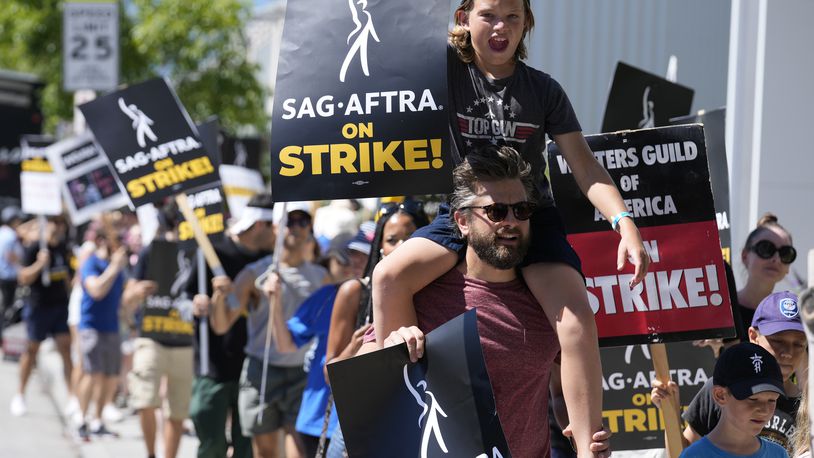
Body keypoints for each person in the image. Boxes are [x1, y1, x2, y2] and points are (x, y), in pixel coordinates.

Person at [371, 0, 650, 451]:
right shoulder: (444, 70)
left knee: (576, 318)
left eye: (513, 17)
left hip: (528, 212)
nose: (501, 27)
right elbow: (393, 46)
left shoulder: (543, 90)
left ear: (527, 24)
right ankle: (405, 411)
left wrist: (625, 223)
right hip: (465, 208)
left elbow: (584, 167)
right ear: (465, 18)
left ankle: (586, 443)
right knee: (387, 276)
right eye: (489, 15)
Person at [369, 146, 609, 457]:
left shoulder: (552, 304)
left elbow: (561, 391)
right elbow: (363, 375)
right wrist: (391, 349)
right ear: (463, 222)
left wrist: (587, 439)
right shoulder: (420, 292)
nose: (510, 221)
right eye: (496, 212)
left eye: (521, 210)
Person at [208, 201, 328, 458]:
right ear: (276, 227)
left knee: (301, 452)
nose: (295, 228)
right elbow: (220, 325)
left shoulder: (321, 277)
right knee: (266, 454)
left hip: (302, 374)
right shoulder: (254, 273)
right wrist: (218, 297)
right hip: (262, 371)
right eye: (289, 221)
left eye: (302, 221)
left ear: (310, 227)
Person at [323, 202, 428, 458]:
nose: (402, 246)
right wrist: (356, 348)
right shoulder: (355, 293)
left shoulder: (438, 293)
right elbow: (329, 373)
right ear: (380, 247)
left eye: (411, 237)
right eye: (393, 239)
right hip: (359, 429)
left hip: (419, 428)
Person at [653, 291, 807, 453]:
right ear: (753, 336)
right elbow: (681, 453)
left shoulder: (806, 406)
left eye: (799, 344)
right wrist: (669, 412)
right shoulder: (724, 387)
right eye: (777, 341)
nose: (788, 352)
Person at [266, 226, 372, 456]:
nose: (354, 260)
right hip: (319, 417)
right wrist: (274, 302)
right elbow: (285, 345)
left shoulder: (399, 295)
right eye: (352, 253)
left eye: (364, 254)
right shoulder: (326, 296)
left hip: (364, 422)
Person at [188, 194, 276, 458]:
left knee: (246, 443)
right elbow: (184, 296)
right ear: (260, 225)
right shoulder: (212, 252)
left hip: (253, 366)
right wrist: (197, 302)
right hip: (213, 363)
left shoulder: (272, 258)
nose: (279, 234)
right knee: (211, 442)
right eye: (274, 228)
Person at [125, 211, 195, 458]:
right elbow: (127, 296)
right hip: (151, 338)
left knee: (177, 412)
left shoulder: (198, 253)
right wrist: (136, 292)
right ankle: (151, 453)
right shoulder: (149, 252)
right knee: (144, 400)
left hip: (185, 343)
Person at [10, 218, 73, 417]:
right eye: (53, 223)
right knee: (32, 350)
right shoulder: (35, 248)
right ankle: (20, 394)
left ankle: (73, 397)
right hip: (39, 306)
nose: (57, 227)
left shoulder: (64, 248)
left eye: (59, 223)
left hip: (60, 306)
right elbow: (24, 277)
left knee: (65, 348)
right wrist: (40, 263)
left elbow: (68, 278)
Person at [679, 342, 788, 457]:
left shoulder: (779, 454)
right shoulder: (694, 455)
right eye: (753, 399)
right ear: (720, 395)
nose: (764, 410)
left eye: (772, 400)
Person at [74, 227, 130, 440]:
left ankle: (97, 421)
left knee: (110, 376)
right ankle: (81, 419)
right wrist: (114, 268)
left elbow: (122, 299)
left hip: (112, 327)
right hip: (91, 326)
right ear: (102, 240)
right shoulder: (92, 263)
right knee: (92, 373)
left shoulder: (118, 268)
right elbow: (96, 290)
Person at [735, 213, 797, 340]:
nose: (776, 259)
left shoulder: (792, 316)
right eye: (766, 249)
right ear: (745, 256)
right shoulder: (723, 312)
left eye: (785, 253)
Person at [0, 206, 24, 346]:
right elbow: (10, 255)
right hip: (8, 276)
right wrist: (22, 267)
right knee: (7, 309)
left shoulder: (2, 231)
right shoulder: (10, 235)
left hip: (3, 275)